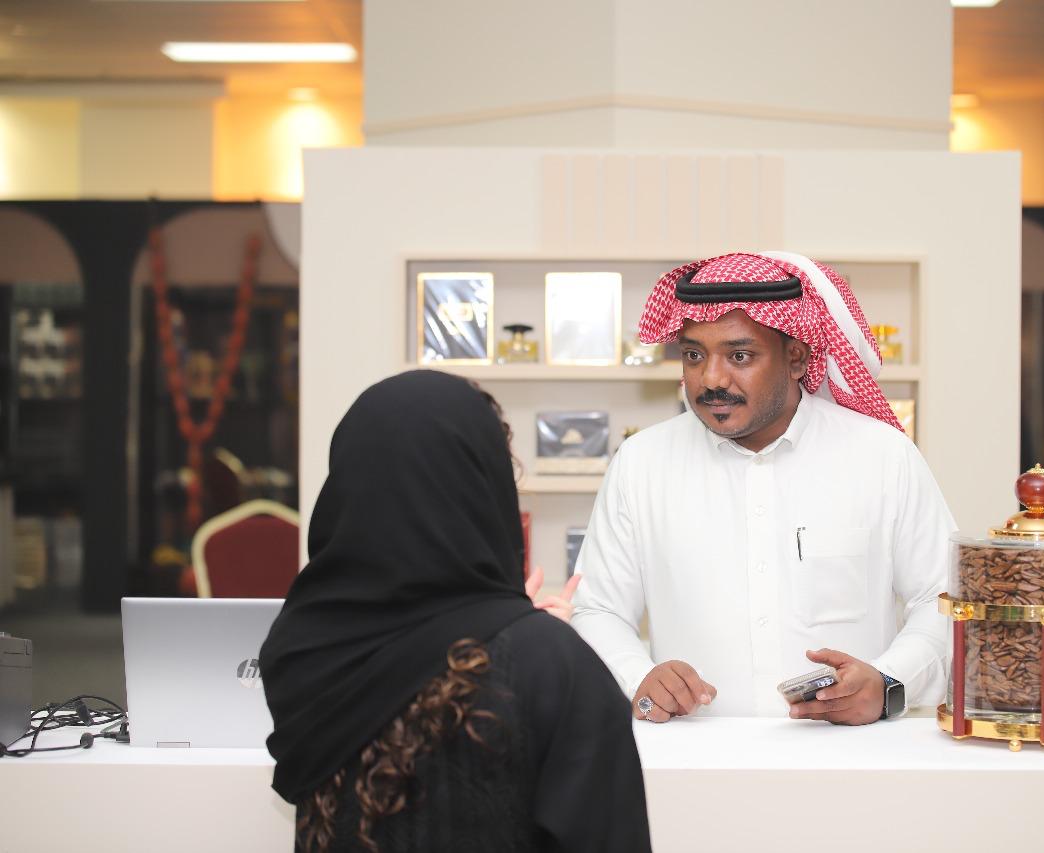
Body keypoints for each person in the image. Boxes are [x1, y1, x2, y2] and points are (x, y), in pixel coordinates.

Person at [260, 371, 650, 853]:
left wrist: (511, 630)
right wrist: (527, 641)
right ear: (484, 490)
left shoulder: (299, 654)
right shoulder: (551, 668)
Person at [571, 252, 955, 725]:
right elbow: (598, 609)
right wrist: (639, 678)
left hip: (850, 754)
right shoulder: (641, 463)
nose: (711, 379)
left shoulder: (883, 457)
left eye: (740, 356)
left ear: (796, 358)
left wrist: (889, 681)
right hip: (691, 753)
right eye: (694, 355)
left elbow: (943, 601)